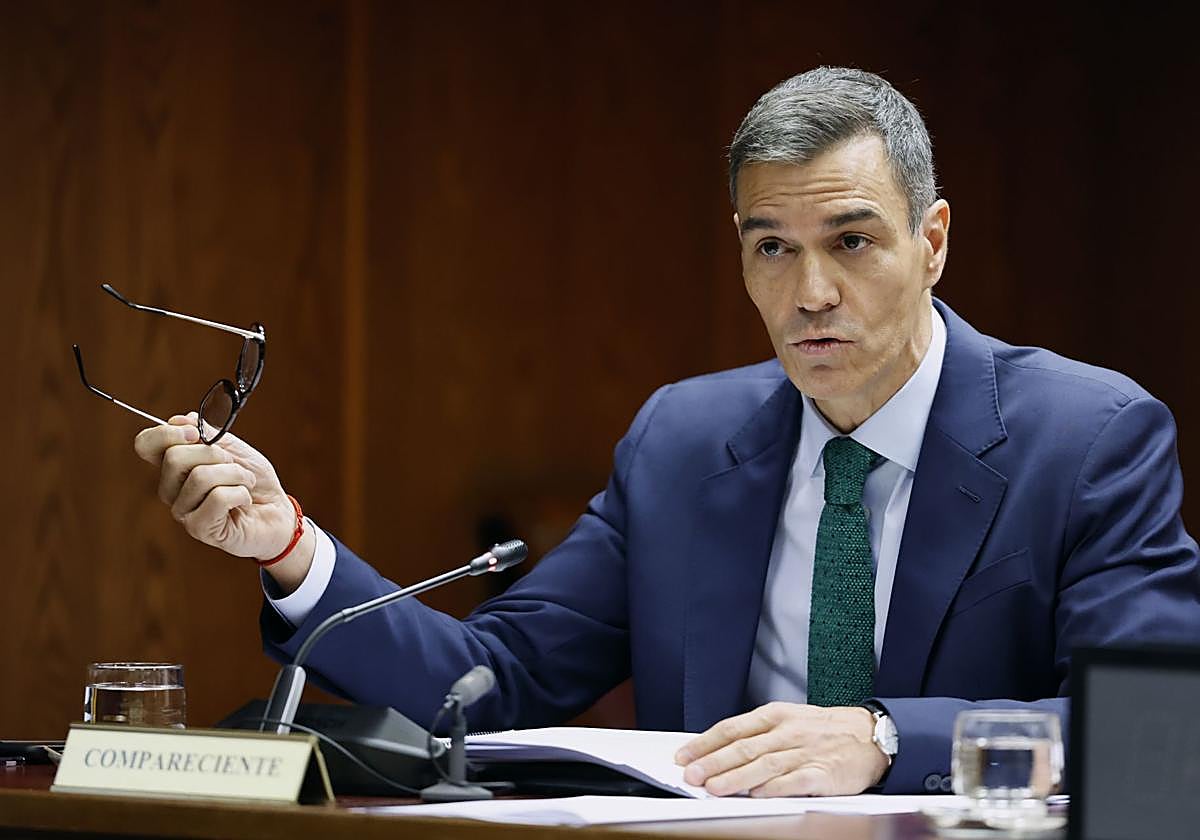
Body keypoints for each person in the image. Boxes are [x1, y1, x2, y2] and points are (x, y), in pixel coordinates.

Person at [133, 67, 1200, 796]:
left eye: (853, 240)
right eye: (771, 247)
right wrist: (286, 545)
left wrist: (881, 738)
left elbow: (1154, 739)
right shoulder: (685, 441)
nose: (811, 291)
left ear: (933, 242)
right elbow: (492, 683)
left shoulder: (1087, 435)